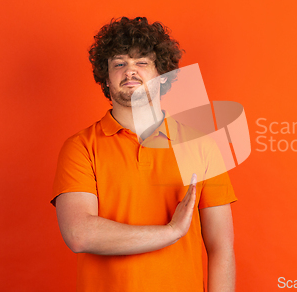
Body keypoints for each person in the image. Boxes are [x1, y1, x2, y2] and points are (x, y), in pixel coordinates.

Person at [51, 17, 237, 292]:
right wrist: (171, 232)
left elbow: (221, 248)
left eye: (142, 63)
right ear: (105, 76)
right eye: (119, 63)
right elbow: (79, 234)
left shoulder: (202, 146)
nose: (130, 71)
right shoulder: (80, 147)